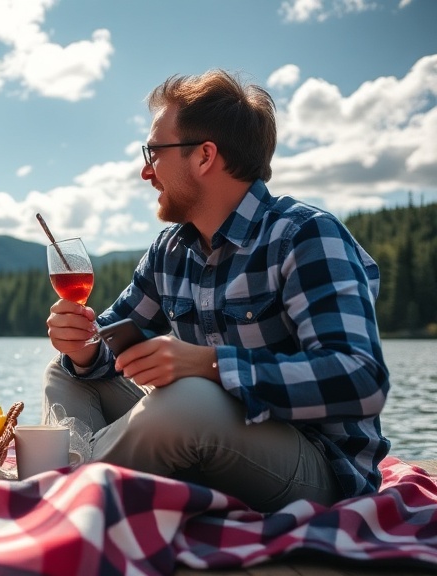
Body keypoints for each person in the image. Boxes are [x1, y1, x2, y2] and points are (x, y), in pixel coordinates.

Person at [43, 69, 390, 512]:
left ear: (205, 156)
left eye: (154, 151)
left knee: (189, 399)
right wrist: (85, 348)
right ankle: (78, 478)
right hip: (213, 445)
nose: (145, 170)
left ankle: (59, 495)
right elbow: (108, 338)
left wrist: (209, 365)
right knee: (65, 370)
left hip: (318, 469)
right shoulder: (171, 250)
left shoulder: (305, 235)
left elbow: (359, 380)